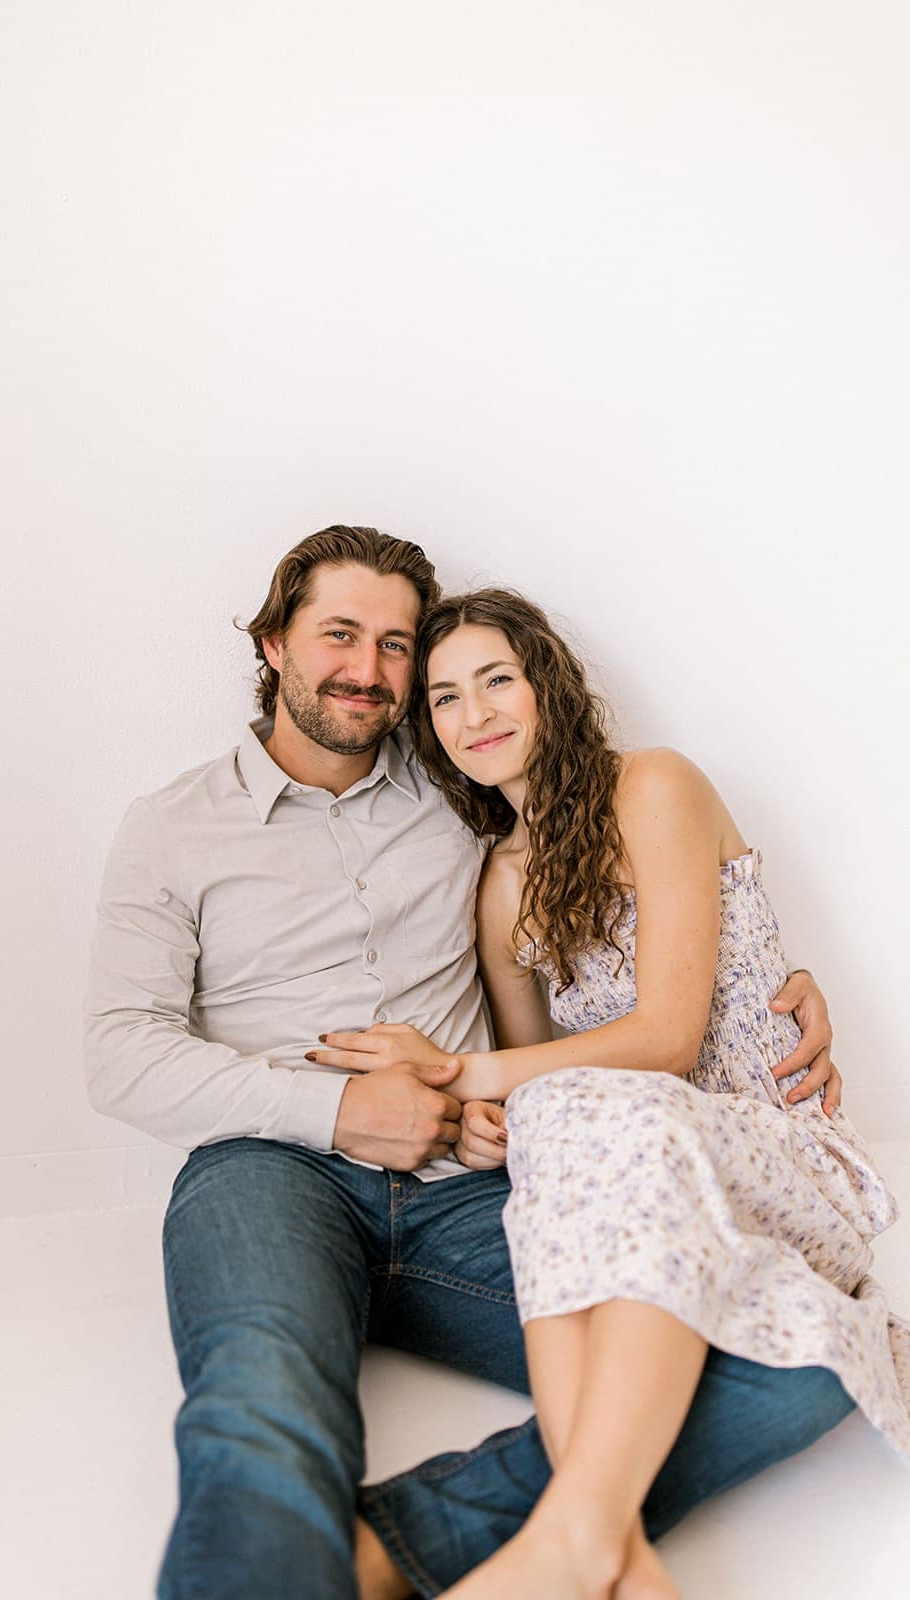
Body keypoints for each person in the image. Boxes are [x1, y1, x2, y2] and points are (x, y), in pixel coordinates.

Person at [83, 529, 849, 1600]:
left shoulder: (462, 793)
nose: (369, 668)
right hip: (271, 1176)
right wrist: (344, 1107)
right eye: (337, 634)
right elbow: (119, 1056)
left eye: (395, 644)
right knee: (259, 1407)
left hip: (476, 1185)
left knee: (800, 1361)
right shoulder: (169, 827)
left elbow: (613, 917)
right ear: (271, 644)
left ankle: (398, 1556)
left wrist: (767, 971)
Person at [312, 588, 908, 1599]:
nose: (475, 713)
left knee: (594, 1097)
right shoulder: (502, 882)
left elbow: (666, 1039)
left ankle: (570, 1534)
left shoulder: (654, 786)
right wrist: (491, 1115)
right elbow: (538, 1084)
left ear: (544, 680)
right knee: (554, 1116)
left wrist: (453, 1069)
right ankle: (605, 1549)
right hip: (649, 1176)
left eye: (495, 678)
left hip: (780, 1160)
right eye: (446, 698)